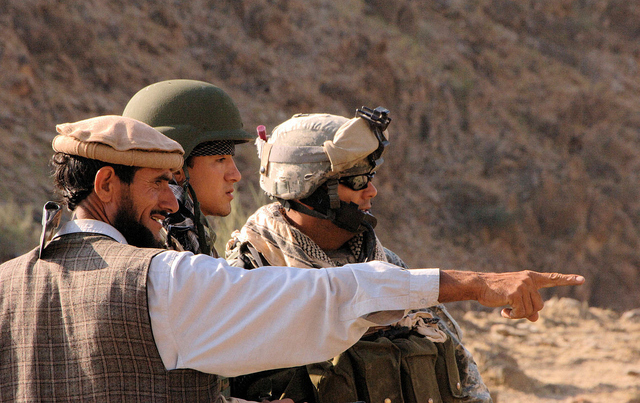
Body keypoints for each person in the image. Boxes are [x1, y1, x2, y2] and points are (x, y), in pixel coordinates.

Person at [0, 115, 584, 402]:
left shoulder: (7, 284)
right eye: (158, 183)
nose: (173, 201)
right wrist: (480, 284)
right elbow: (326, 298)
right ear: (107, 184)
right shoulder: (166, 281)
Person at [224, 108, 526, 402]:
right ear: (308, 190)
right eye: (356, 181)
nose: (371, 191)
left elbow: (462, 373)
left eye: (370, 177)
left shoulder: (385, 263)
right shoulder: (248, 276)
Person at [123, 79, 254, 257]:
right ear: (176, 169)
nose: (236, 175)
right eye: (220, 159)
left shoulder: (186, 232)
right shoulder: (166, 239)